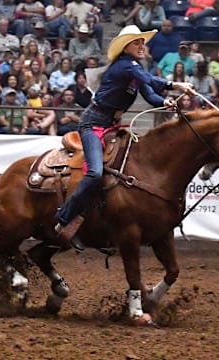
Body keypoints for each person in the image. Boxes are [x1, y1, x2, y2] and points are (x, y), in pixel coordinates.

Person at [54, 25, 194, 251]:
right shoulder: (124, 66)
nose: (141, 46)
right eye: (136, 42)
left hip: (111, 125)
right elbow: (148, 79)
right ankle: (63, 218)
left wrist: (164, 102)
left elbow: (149, 92)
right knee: (94, 173)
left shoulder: (133, 69)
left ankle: (107, 219)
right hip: (92, 124)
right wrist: (176, 84)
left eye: (142, 42)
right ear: (125, 46)